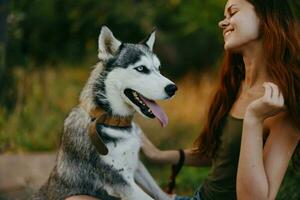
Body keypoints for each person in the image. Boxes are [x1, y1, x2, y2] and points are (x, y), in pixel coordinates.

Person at [141, 0, 300, 199]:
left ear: (266, 18)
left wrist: (253, 120)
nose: (222, 23)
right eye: (224, 16)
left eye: (232, 13)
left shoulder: (284, 104)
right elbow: (221, 154)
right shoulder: (235, 85)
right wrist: (157, 155)